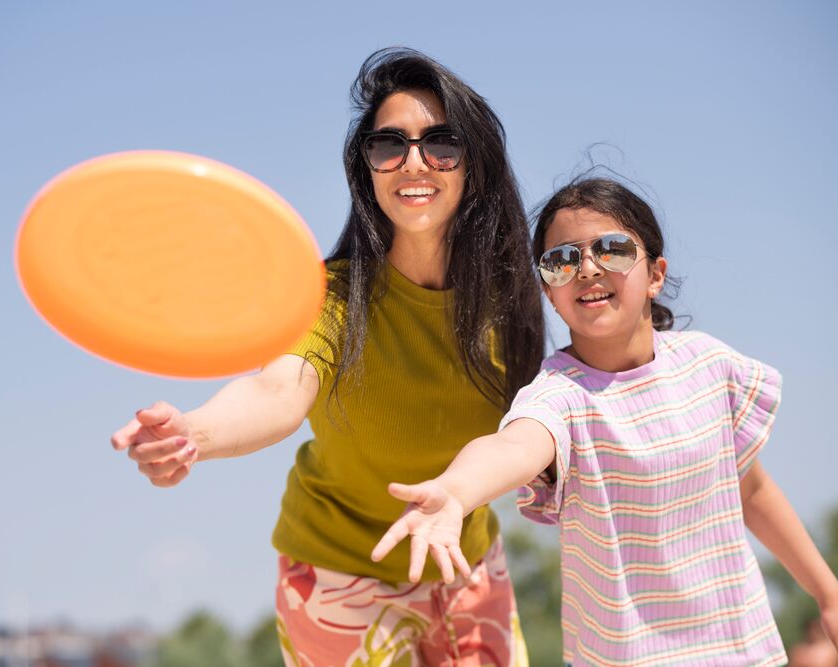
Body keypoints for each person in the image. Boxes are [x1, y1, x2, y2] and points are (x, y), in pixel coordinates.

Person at [110, 47, 545, 666]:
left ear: (473, 164)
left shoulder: (511, 303)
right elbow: (276, 391)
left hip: (463, 565)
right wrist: (193, 434)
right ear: (367, 168)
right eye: (388, 145)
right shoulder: (333, 298)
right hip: (339, 574)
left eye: (440, 143)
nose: (413, 162)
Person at [372, 178, 838, 665]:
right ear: (549, 292)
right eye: (561, 261)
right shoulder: (560, 397)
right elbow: (514, 447)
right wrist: (457, 489)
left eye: (611, 250)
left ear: (655, 274)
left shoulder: (711, 365)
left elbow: (751, 489)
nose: (588, 268)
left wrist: (828, 595)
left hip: (743, 652)